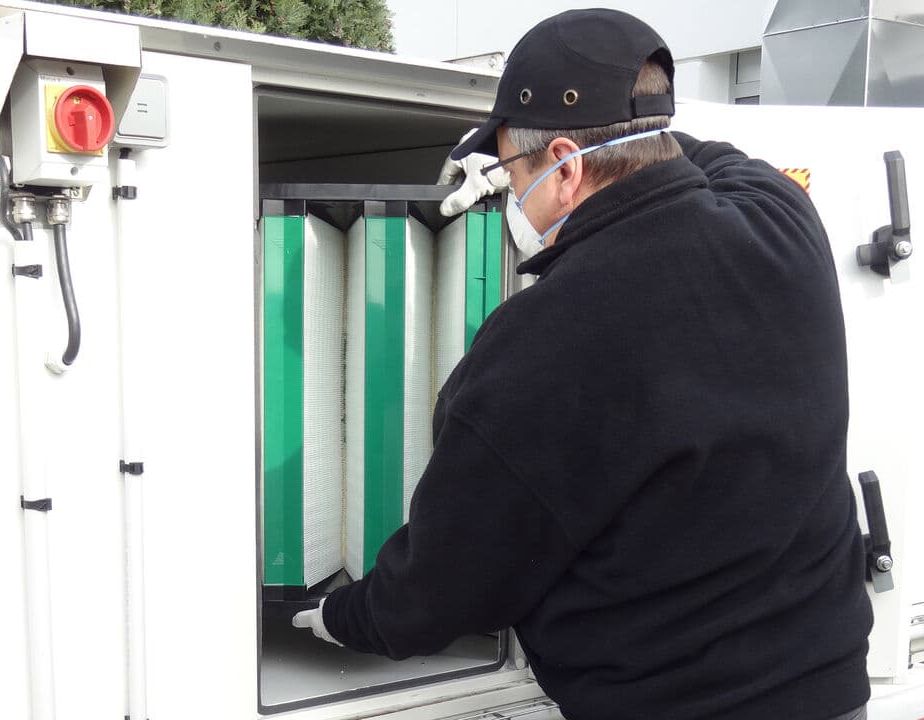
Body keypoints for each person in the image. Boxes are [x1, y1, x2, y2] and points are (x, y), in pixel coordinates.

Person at [294, 9, 873, 720]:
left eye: (511, 170)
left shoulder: (541, 344)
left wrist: (342, 616)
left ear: (565, 167)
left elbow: (446, 583)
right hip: (833, 695)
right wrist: (635, 129)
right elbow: (708, 155)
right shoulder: (782, 218)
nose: (508, 192)